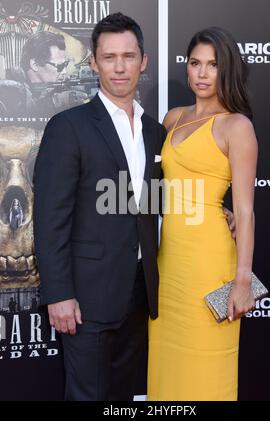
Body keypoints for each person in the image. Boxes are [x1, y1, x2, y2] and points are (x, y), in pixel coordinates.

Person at [33, 12, 166, 401]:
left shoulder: (155, 131)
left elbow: (159, 203)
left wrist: (224, 212)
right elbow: (50, 218)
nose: (120, 67)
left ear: (144, 61)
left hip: (140, 293)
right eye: (109, 57)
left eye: (128, 56)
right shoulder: (68, 126)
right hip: (85, 299)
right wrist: (58, 293)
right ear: (93, 62)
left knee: (123, 398)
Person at [148, 27, 257, 401]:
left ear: (226, 70)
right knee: (167, 365)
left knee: (207, 365)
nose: (202, 73)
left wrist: (242, 281)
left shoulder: (237, 126)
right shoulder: (172, 118)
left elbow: (244, 209)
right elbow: (157, 185)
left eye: (212, 65)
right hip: (169, 262)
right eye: (195, 63)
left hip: (210, 263)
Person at [6, 31, 87, 115]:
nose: (64, 72)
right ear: (35, 65)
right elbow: (21, 116)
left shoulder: (52, 86)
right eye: (59, 66)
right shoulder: (10, 89)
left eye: (65, 65)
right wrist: (56, 102)